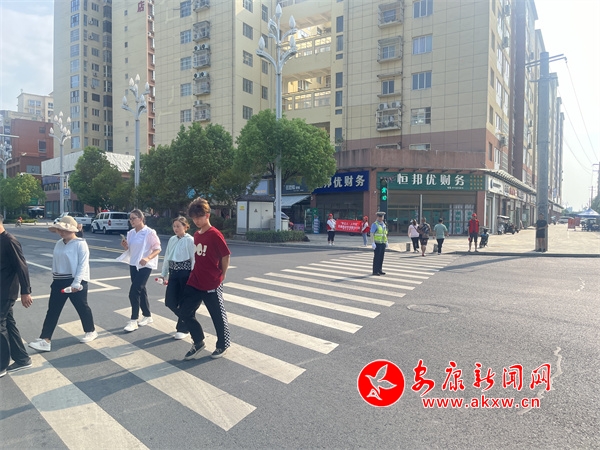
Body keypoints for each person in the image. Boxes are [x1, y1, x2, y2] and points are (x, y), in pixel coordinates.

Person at [28, 216, 97, 353]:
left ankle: (91, 330)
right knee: (53, 310)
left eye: (64, 230)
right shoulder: (59, 243)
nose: (61, 232)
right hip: (59, 280)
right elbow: (57, 262)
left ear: (72, 230)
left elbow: (82, 265)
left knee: (82, 307)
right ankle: (45, 339)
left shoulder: (80, 244)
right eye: (59, 230)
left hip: (76, 280)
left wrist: (76, 283)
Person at [179, 198, 231, 360]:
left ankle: (223, 344)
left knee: (217, 315)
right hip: (196, 280)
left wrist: (222, 275)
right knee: (184, 311)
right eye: (194, 218)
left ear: (207, 215)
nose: (196, 221)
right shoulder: (196, 234)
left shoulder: (215, 234)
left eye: (199, 217)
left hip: (211, 282)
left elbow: (225, 255)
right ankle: (198, 341)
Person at [0, 214, 33, 378]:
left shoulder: (9, 241)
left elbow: (22, 267)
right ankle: (22, 358)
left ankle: (1, 365)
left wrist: (26, 291)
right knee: (8, 323)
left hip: (6, 290)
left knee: (0, 326)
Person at [118, 209, 161, 332]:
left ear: (141, 219)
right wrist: (126, 246)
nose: (131, 221)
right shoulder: (131, 233)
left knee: (134, 292)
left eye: (133, 218)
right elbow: (131, 249)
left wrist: (147, 258)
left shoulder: (149, 232)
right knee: (141, 290)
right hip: (133, 264)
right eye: (130, 219)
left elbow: (157, 249)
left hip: (145, 266)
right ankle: (147, 315)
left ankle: (133, 320)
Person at [160, 216, 195, 340]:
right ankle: (190, 321)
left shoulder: (190, 240)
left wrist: (193, 276)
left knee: (183, 301)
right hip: (173, 272)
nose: (176, 228)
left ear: (185, 227)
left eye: (178, 226)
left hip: (185, 273)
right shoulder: (172, 239)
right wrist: (163, 273)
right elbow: (167, 257)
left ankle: (183, 328)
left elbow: (194, 259)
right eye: (174, 226)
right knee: (170, 301)